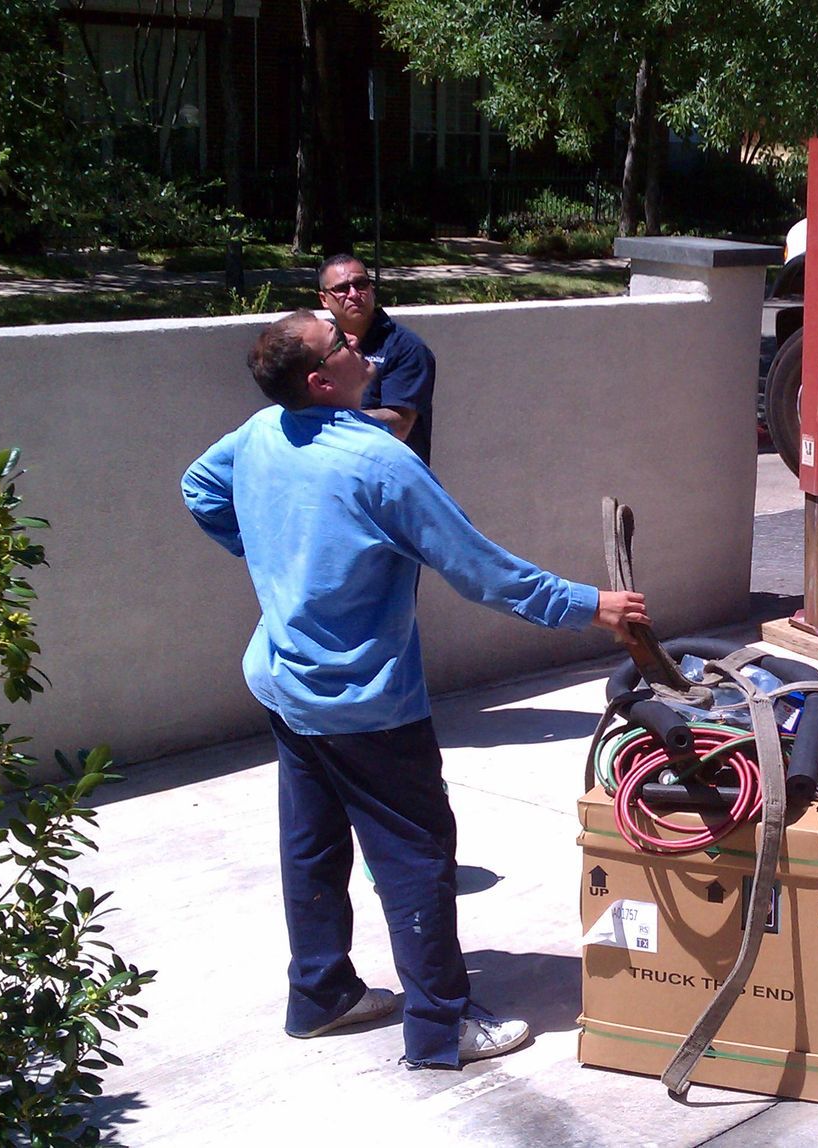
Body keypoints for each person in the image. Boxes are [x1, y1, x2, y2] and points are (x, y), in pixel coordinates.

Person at [181, 310, 648, 1069]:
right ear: (320, 380)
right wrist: (592, 606)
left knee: (313, 845)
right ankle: (440, 1027)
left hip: (287, 685)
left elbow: (199, 487)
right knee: (416, 855)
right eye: (341, 342)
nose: (357, 341)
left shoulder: (263, 431)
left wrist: (275, 554)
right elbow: (480, 569)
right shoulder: (380, 463)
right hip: (365, 705)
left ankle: (322, 995)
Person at [318, 253, 438, 464]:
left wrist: (326, 420)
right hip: (338, 469)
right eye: (342, 288)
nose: (354, 294)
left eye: (361, 284)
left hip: (390, 474)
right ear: (324, 300)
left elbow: (399, 425)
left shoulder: (406, 348)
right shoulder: (322, 347)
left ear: (372, 289)